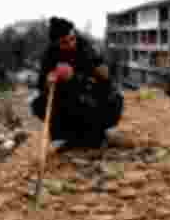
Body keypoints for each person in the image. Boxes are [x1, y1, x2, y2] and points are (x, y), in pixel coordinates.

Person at [31, 17, 124, 149]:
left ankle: (98, 134)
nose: (71, 44)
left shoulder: (86, 49)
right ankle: (62, 136)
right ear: (56, 43)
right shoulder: (50, 55)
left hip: (91, 97)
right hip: (66, 101)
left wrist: (75, 76)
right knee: (38, 103)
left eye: (72, 39)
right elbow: (40, 85)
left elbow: (104, 79)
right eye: (64, 42)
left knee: (108, 99)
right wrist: (48, 80)